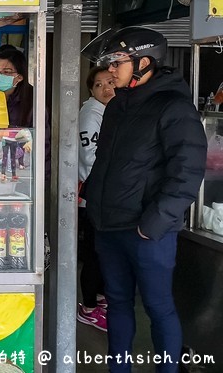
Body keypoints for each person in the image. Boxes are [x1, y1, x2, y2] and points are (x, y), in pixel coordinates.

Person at [82, 27, 207, 372]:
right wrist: (92, 200)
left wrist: (154, 224)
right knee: (118, 303)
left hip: (147, 230)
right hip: (109, 226)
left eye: (116, 62)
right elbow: (105, 161)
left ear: (144, 62)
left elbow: (187, 172)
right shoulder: (118, 105)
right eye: (108, 63)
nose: (109, 71)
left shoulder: (173, 107)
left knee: (158, 306)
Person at [76, 66, 115, 331]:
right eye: (99, 85)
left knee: (103, 254)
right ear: (91, 90)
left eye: (110, 82)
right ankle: (88, 307)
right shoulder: (92, 114)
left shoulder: (110, 112)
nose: (106, 88)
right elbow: (91, 160)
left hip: (105, 196)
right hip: (92, 196)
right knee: (93, 255)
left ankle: (99, 300)